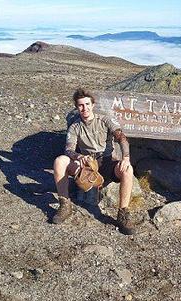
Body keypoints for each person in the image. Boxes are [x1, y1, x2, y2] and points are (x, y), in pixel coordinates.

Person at [52, 88, 135, 235]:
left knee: (128, 170)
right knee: (60, 161)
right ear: (77, 107)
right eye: (80, 105)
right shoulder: (75, 127)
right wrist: (79, 157)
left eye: (87, 104)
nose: (84, 108)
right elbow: (69, 150)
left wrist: (126, 158)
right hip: (87, 165)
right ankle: (65, 204)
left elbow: (121, 138)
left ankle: (123, 214)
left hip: (106, 162)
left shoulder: (105, 120)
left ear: (93, 104)